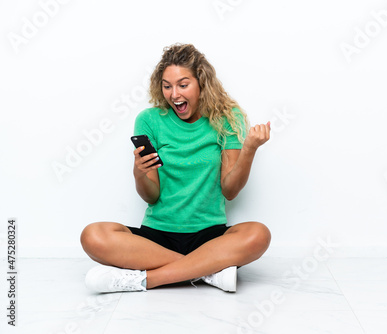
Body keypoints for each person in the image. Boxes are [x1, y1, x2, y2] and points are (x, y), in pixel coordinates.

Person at [80, 43, 271, 293]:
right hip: (156, 238)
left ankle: (145, 280)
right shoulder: (149, 120)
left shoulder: (227, 117)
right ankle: (208, 272)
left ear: (201, 83)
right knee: (92, 235)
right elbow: (151, 195)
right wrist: (139, 172)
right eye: (167, 86)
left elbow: (230, 190)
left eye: (183, 85)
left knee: (259, 234)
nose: (174, 95)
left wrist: (249, 150)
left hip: (210, 238)